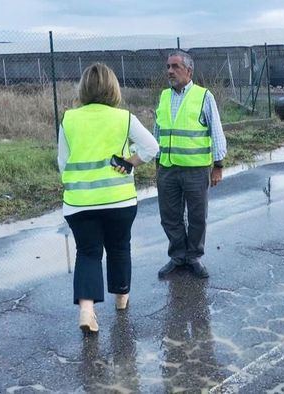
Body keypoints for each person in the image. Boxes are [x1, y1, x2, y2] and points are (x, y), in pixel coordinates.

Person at [58, 62, 159, 333]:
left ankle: (87, 311)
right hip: (119, 201)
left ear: (84, 88)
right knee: (119, 246)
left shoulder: (69, 119)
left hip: (79, 203)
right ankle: (121, 298)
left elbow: (63, 162)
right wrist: (131, 162)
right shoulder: (123, 118)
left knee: (88, 253)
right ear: (113, 88)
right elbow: (152, 146)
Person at [153, 50, 227, 280]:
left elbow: (216, 131)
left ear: (189, 71)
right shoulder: (164, 96)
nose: (170, 71)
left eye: (175, 66)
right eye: (168, 66)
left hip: (195, 169)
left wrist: (218, 165)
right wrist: (156, 159)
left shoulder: (204, 96)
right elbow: (158, 130)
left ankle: (193, 256)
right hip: (167, 167)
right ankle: (178, 256)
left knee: (196, 216)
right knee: (170, 215)